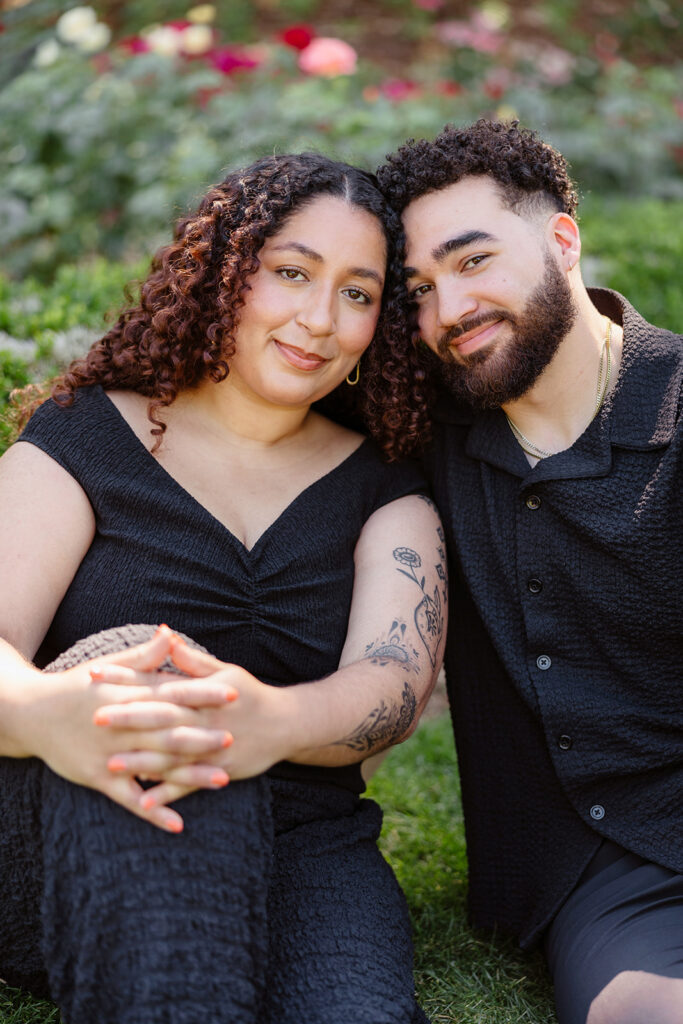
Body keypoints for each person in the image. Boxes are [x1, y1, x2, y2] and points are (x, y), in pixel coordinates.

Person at [0, 152, 447, 1024]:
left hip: (302, 846)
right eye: (291, 273)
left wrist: (265, 721)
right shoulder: (83, 437)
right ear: (222, 273)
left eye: (357, 294)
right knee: (159, 680)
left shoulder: (384, 489)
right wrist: (51, 715)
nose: (319, 319)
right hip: (82, 807)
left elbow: (392, 684)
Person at [375, 120, 683, 1024]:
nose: (448, 311)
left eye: (472, 261)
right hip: (610, 870)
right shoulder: (422, 431)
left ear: (561, 239)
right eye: (419, 289)